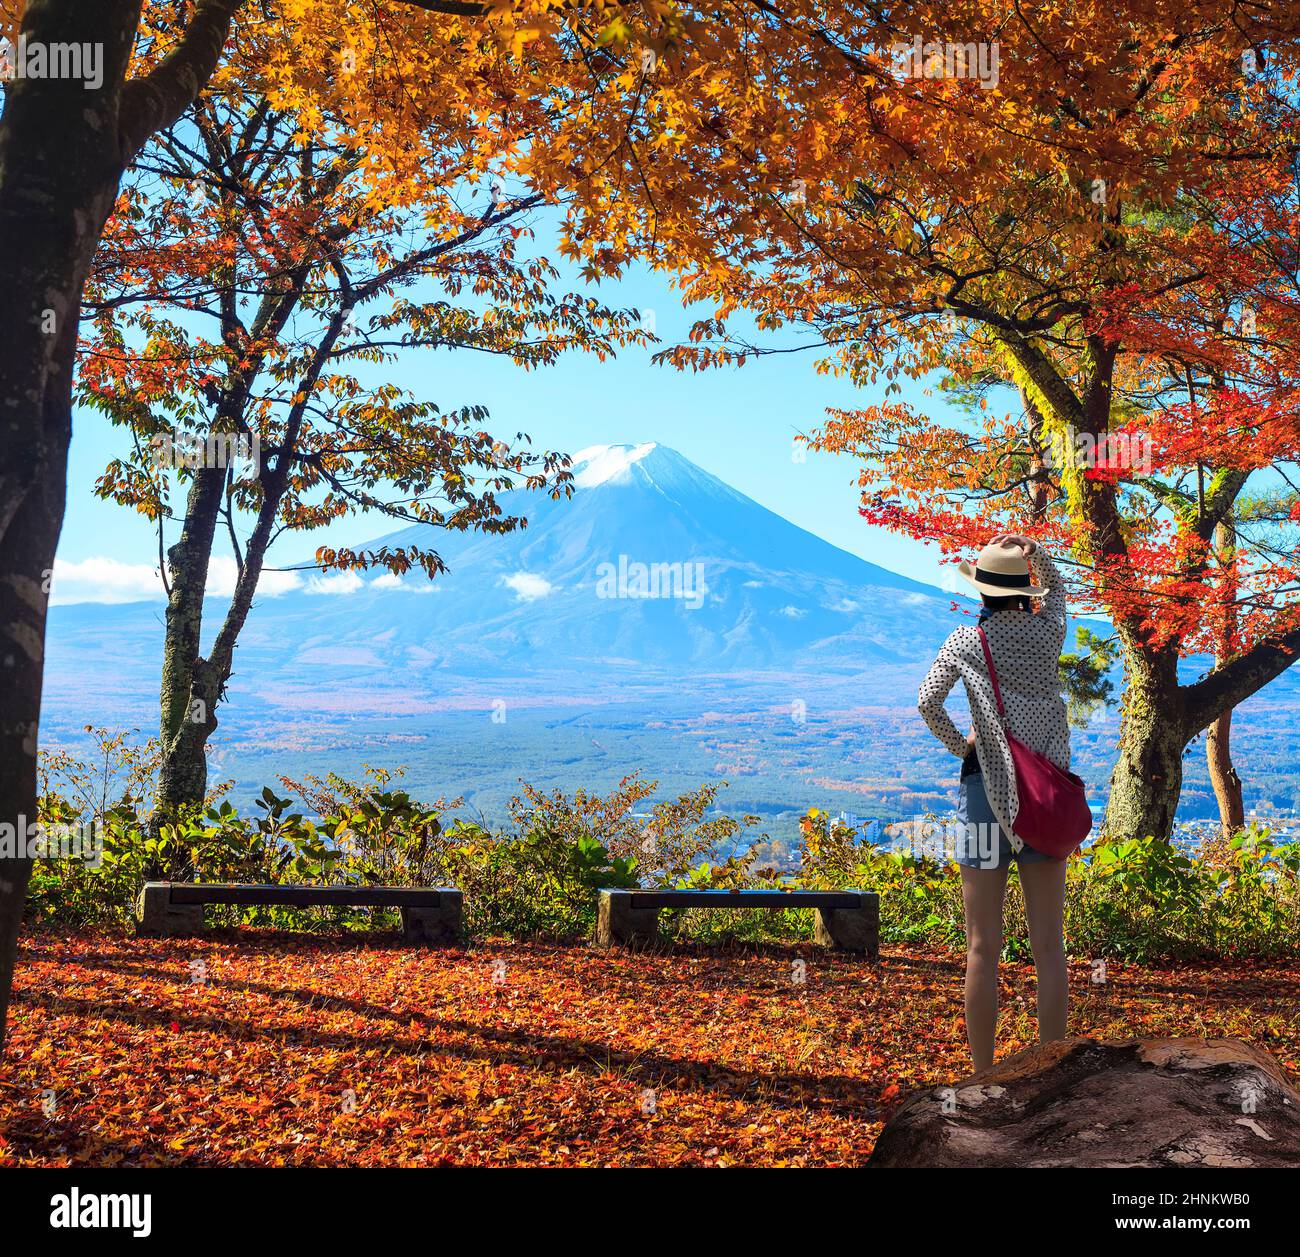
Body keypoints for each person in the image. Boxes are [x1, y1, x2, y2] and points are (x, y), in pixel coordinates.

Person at [917, 534, 1071, 1072]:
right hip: (1044, 801)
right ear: (1025, 589)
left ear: (982, 591)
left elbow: (927, 700)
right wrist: (1037, 552)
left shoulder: (965, 641)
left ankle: (983, 1075)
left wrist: (964, 745)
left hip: (985, 797)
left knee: (983, 948)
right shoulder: (1050, 633)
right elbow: (1059, 594)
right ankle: (1050, 1071)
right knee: (1049, 949)